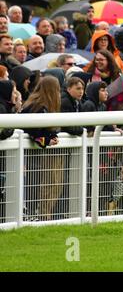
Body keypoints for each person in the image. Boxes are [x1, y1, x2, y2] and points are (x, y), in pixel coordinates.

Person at [21, 76, 63, 221]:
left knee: (52, 184)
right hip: (34, 155)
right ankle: (42, 217)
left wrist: (51, 136)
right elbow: (33, 131)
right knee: (45, 184)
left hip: (38, 154)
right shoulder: (37, 106)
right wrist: (46, 140)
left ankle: (45, 216)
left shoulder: (39, 104)